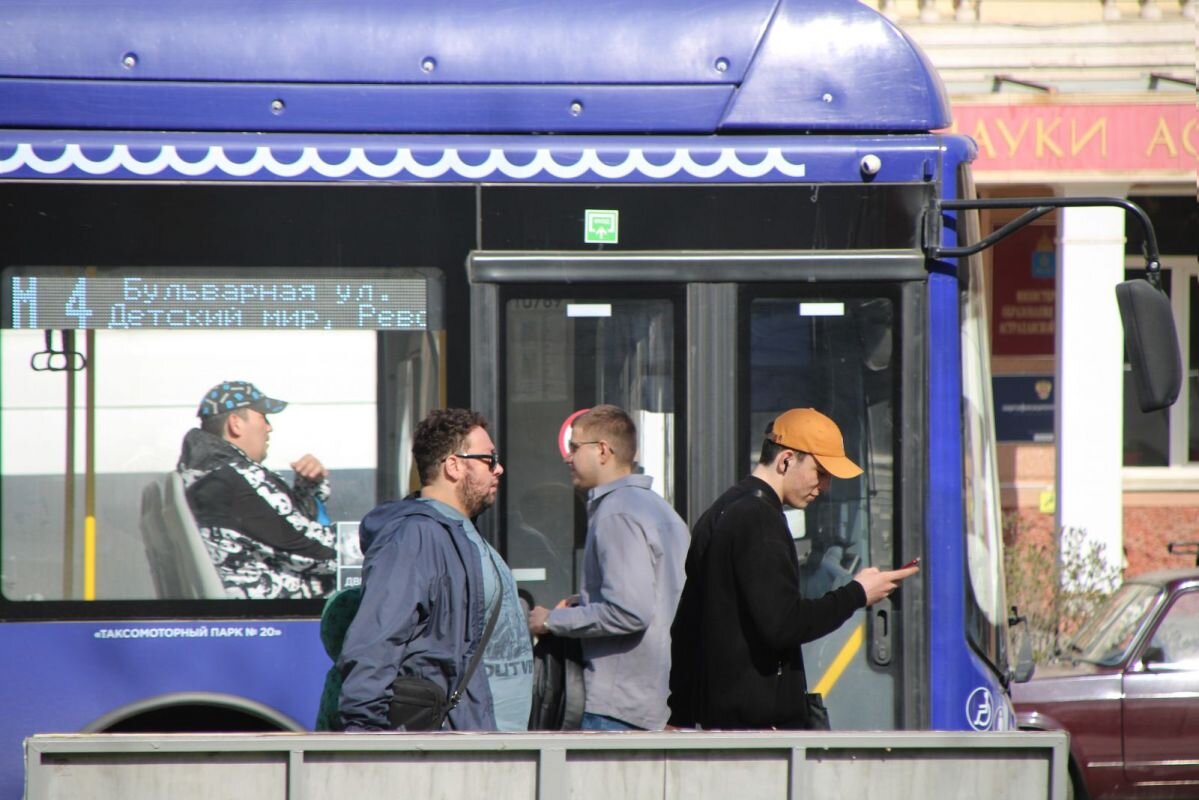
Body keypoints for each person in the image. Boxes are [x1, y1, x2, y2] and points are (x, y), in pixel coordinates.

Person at [669, 408, 919, 730]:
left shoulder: (721, 511)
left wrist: (681, 715)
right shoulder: (760, 521)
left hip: (723, 723)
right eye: (821, 472)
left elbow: (687, 626)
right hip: (758, 731)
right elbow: (784, 624)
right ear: (786, 459)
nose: (825, 486)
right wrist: (857, 594)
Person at [337, 408, 533, 732]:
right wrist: (366, 740)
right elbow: (376, 640)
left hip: (493, 743)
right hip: (456, 746)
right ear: (454, 465)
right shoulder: (415, 536)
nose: (499, 468)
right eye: (489, 459)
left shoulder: (461, 534)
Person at [527, 405, 689, 731]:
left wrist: (551, 620)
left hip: (618, 706)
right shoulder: (660, 510)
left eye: (575, 447)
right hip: (654, 700)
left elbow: (630, 611)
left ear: (603, 451)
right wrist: (584, 601)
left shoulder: (617, 513)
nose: (567, 457)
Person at [177, 380, 336, 599]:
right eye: (263, 417)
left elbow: (282, 532)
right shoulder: (233, 481)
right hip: (284, 614)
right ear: (236, 424)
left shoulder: (208, 473)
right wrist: (378, 540)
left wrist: (309, 486)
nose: (269, 427)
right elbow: (314, 551)